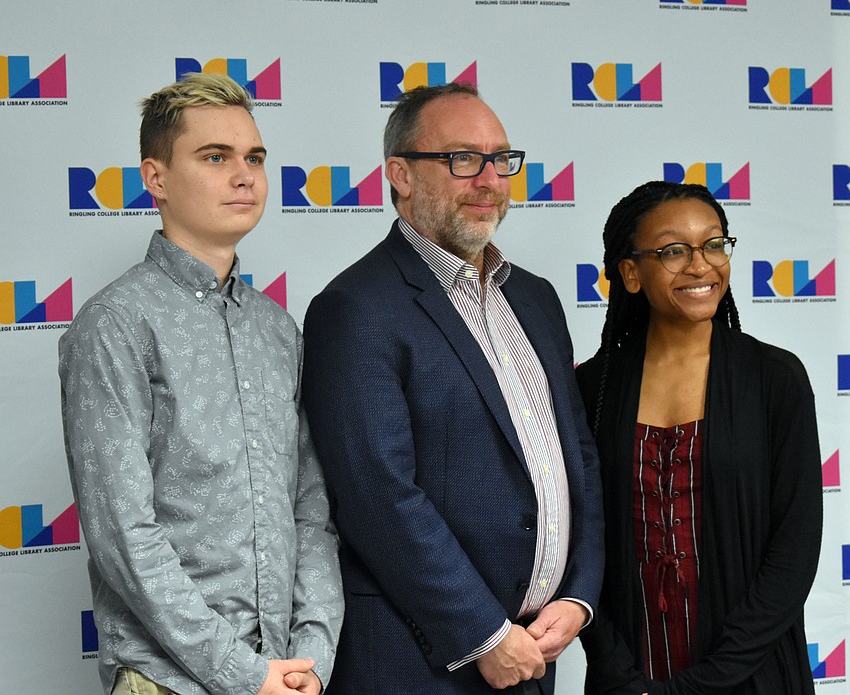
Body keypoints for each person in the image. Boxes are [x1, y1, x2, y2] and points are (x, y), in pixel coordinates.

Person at [300, 82, 604, 694]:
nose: (489, 178)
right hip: (424, 663)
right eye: (463, 159)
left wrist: (579, 594)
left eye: (502, 160)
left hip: (537, 655)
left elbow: (577, 459)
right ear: (401, 175)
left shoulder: (537, 298)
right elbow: (376, 497)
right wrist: (483, 634)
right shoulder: (355, 307)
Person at [59, 73, 343, 695]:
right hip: (170, 682)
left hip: (287, 677)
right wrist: (243, 674)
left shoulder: (276, 328)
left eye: (255, 158)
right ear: (156, 178)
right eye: (215, 157)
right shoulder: (112, 326)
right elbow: (122, 535)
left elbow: (311, 507)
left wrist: (313, 656)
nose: (244, 175)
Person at [576, 180, 822, 694]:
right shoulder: (591, 387)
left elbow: (793, 552)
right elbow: (581, 545)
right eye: (673, 251)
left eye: (714, 244)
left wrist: (707, 682)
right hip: (628, 680)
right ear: (630, 273)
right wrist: (618, 672)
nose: (700, 265)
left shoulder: (774, 379)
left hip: (750, 674)